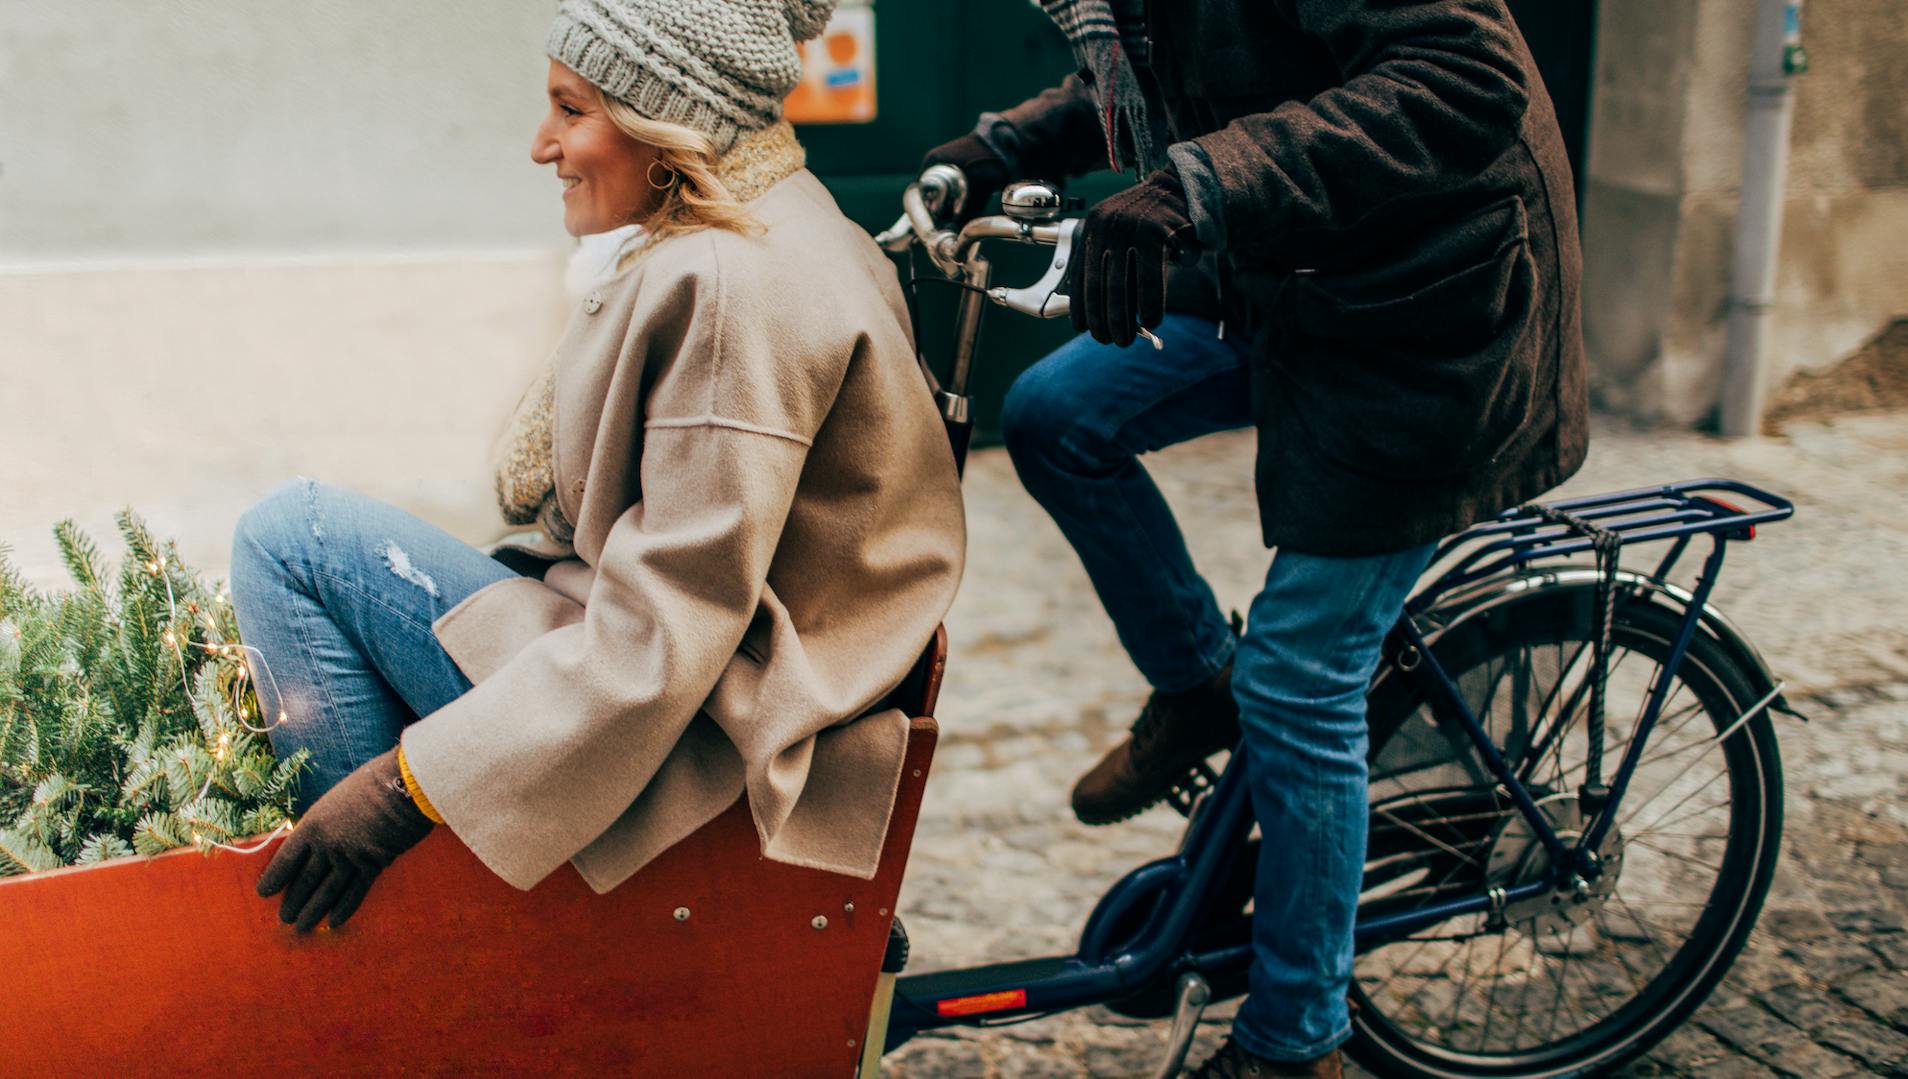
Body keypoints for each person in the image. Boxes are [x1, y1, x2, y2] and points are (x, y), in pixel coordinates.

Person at [921, 0, 1587, 1075]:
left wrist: (1196, 183)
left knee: (1297, 678)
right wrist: (1004, 147)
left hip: (1429, 321)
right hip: (1293, 276)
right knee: (1054, 415)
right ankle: (1198, 684)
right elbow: (1166, 63)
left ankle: (1295, 1040)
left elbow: (1467, 70)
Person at [231, 0, 964, 935]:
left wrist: (400, 788)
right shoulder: (788, 221)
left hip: (693, 735)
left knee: (292, 538)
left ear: (667, 122)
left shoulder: (732, 290)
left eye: (572, 110)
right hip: (706, 682)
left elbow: (661, 641)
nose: (543, 145)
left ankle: (401, 947)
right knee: (322, 544)